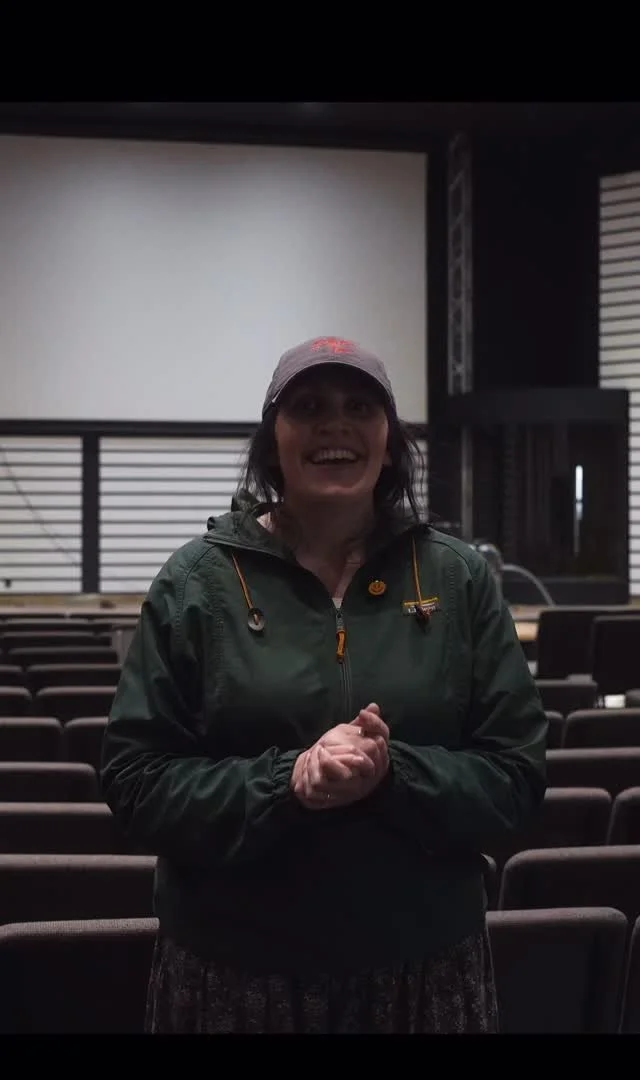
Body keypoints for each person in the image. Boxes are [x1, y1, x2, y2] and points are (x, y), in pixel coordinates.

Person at [101, 335, 547, 1034]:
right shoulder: (195, 583)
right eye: (307, 408)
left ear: (389, 443)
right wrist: (288, 781)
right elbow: (136, 783)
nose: (334, 426)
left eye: (359, 408)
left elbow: (516, 780)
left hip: (424, 970)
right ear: (271, 443)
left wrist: (392, 773)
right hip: (233, 972)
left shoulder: (459, 580)